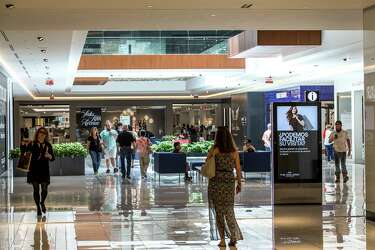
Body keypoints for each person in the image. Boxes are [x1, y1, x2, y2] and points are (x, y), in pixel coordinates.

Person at [206, 126, 243, 247]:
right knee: (229, 209)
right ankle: (233, 236)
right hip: (229, 181)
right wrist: (239, 183)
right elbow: (237, 168)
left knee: (218, 211)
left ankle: (222, 239)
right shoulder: (234, 151)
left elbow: (207, 163)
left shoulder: (214, 150)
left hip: (216, 181)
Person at [20, 127, 55, 217]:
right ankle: (38, 208)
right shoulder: (31, 144)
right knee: (36, 189)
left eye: (44, 133)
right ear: (37, 134)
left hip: (44, 170)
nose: (42, 134)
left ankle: (42, 202)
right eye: (40, 132)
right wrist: (23, 145)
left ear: (46, 135)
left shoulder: (48, 145)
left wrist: (49, 156)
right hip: (33, 170)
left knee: (44, 189)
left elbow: (53, 159)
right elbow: (24, 153)